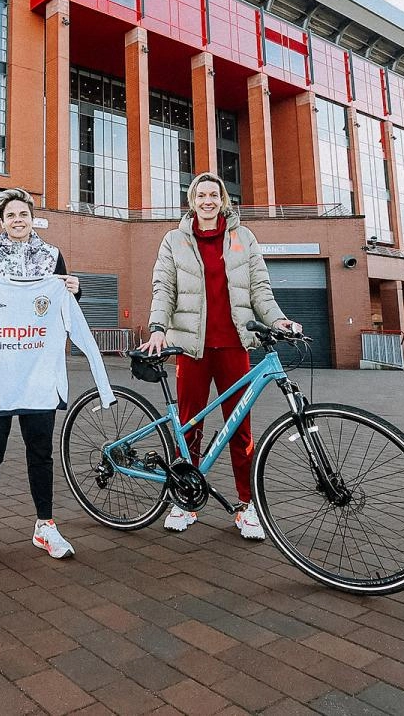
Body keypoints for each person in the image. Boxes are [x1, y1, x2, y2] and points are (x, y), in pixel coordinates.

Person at [142, 172, 301, 541]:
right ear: (192, 200)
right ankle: (185, 500)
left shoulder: (243, 238)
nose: (208, 200)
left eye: (214, 194)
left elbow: (260, 287)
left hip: (234, 345)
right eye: (202, 195)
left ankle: (246, 506)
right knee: (188, 426)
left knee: (239, 428)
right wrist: (157, 328)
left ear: (223, 199)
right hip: (190, 348)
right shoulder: (174, 240)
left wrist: (276, 318)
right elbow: (163, 286)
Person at [0, 187, 83, 561]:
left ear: (32, 217)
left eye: (22, 214)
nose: (17, 221)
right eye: (10, 216)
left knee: (40, 451)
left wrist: (77, 289)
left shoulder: (51, 256)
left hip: (39, 372)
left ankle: (46, 526)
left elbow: (66, 306)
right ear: (1, 221)